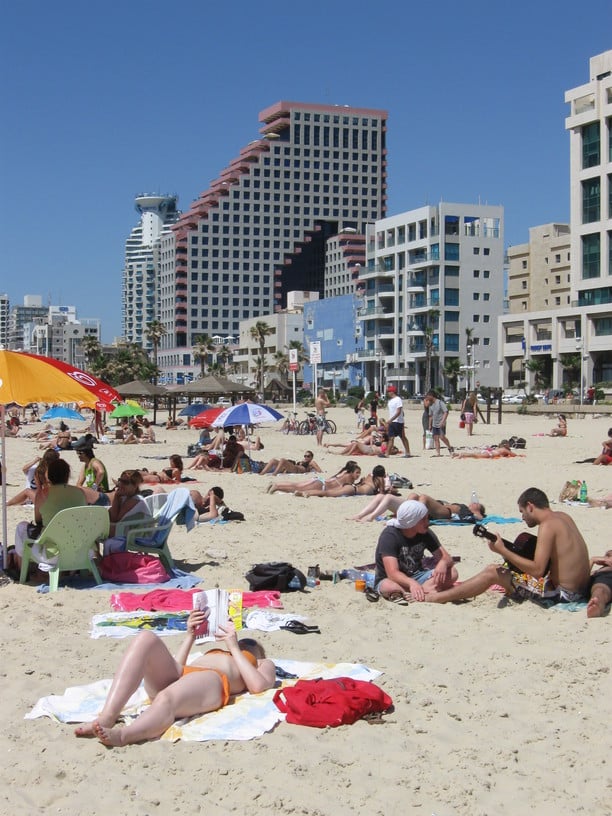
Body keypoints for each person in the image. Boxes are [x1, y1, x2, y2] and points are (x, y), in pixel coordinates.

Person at [74, 616, 275, 747]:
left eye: (251, 645)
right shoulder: (218, 651)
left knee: (166, 697)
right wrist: (190, 636)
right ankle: (107, 717)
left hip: (212, 680)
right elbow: (176, 667)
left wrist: (236, 648)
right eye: (244, 642)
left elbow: (258, 686)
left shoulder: (261, 662)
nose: (245, 644)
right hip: (184, 674)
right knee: (146, 638)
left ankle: (125, 735)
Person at [426, 487, 591, 605]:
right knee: (506, 572)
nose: (523, 517)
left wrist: (503, 550)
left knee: (493, 571)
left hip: (564, 595)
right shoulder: (563, 517)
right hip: (580, 589)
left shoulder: (547, 525)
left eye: (522, 511)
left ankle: (438, 598)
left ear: (530, 506)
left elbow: (537, 570)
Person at [10, 458, 87, 574]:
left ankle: (22, 570)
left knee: (21, 527)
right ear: (67, 475)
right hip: (80, 551)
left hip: (53, 554)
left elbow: (38, 521)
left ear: (49, 476)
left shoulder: (43, 494)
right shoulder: (80, 493)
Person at [374, 500, 458, 602]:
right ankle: (421, 591)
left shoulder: (425, 533)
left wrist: (443, 563)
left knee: (452, 572)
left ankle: (416, 592)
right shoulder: (390, 536)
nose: (428, 522)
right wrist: (411, 583)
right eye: (424, 519)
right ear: (412, 522)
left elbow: (446, 558)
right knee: (388, 587)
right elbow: (392, 573)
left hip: (419, 576)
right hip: (393, 580)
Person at [268, 460, 361, 494]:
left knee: (296, 485)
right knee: (296, 487)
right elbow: (347, 488)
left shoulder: (342, 473)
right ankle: (277, 487)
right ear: (351, 471)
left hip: (320, 481)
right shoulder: (349, 477)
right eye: (357, 473)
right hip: (321, 485)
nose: (358, 475)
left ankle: (276, 484)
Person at [108, 470, 151, 537]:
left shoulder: (135, 500)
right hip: (130, 529)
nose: (121, 484)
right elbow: (113, 516)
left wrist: (116, 496)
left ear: (135, 486)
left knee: (97, 529)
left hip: (138, 534)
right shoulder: (124, 497)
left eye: (125, 482)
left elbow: (115, 519)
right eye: (120, 480)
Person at [403, 493, 486, 522]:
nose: (473, 503)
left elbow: (480, 518)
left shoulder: (471, 513)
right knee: (413, 495)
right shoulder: (466, 508)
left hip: (446, 512)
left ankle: (415, 520)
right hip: (439, 508)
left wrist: (477, 512)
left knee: (424, 497)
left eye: (477, 504)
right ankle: (404, 515)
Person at [424, 391, 454, 456]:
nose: (427, 398)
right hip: (434, 424)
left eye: (428, 396)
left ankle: (449, 447)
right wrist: (429, 425)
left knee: (442, 437)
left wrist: (443, 421)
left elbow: (446, 412)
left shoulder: (440, 403)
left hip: (441, 423)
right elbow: (430, 416)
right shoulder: (431, 404)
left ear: (432, 396)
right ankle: (438, 453)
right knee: (435, 438)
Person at [384, 385, 411, 457]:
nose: (388, 393)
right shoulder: (390, 401)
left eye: (389, 391)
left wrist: (391, 419)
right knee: (391, 438)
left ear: (392, 392)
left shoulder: (398, 399)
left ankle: (408, 452)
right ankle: (387, 454)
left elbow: (399, 411)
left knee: (402, 437)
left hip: (398, 422)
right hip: (392, 422)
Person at [586, 550, 612, 618]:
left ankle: (597, 604)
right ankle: (596, 602)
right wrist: (592, 560)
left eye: (609, 556)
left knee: (600, 590)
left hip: (604, 583)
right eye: (606, 555)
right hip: (592, 583)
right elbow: (582, 579)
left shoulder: (608, 571)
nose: (604, 558)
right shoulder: (596, 571)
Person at [452, 440, 518, 459]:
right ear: (506, 445)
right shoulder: (504, 449)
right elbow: (514, 455)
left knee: (475, 454)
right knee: (474, 455)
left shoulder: (500, 448)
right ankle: (461, 455)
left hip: (488, 451)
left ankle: (457, 454)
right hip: (490, 454)